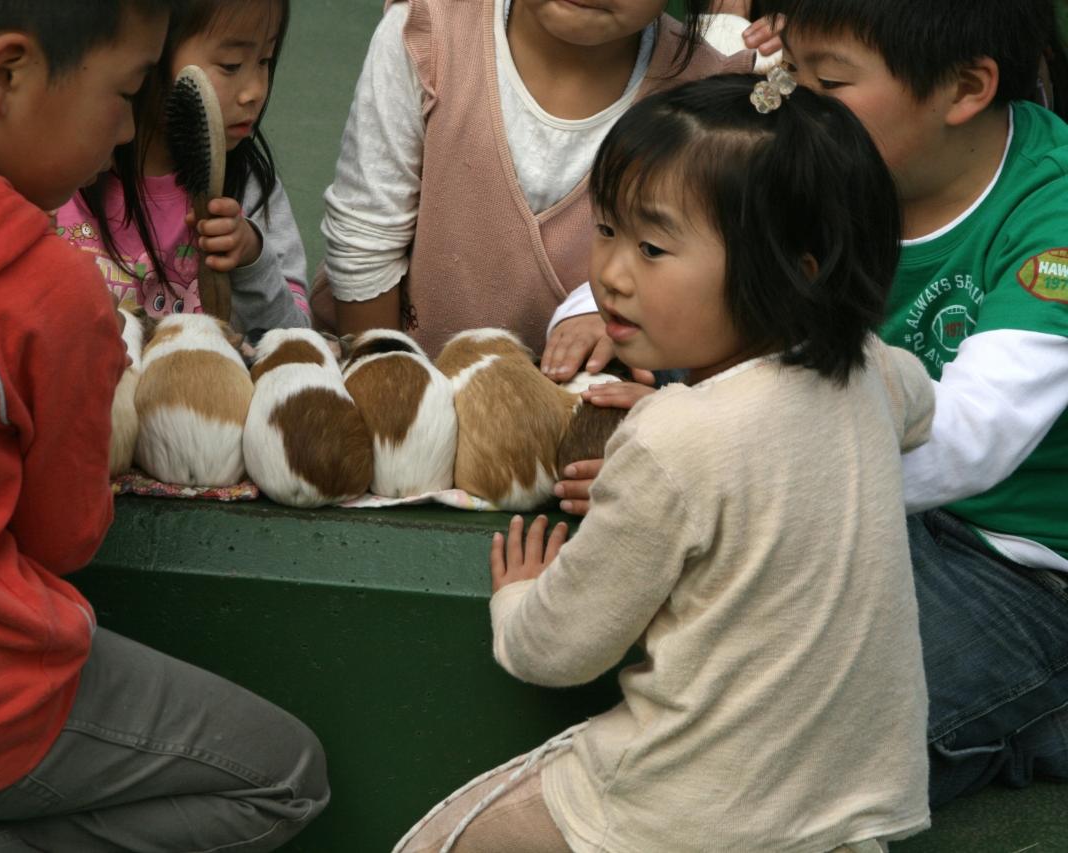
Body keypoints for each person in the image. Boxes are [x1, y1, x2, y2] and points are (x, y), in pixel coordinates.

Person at [0, 2, 327, 851]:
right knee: (288, 777)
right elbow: (64, 538)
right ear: (8, 76)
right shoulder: (46, 289)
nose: (128, 131)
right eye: (126, 92)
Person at [395, 73, 935, 853]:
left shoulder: (673, 440)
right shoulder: (870, 371)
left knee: (441, 842)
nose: (610, 273)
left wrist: (517, 600)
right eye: (606, 228)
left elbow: (560, 649)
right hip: (848, 808)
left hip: (683, 815)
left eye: (652, 247)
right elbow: (918, 406)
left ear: (796, 269)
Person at [556, 0, 1068, 810]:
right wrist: (595, 318)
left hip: (1008, 567)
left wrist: (711, 468)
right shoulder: (832, 150)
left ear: (966, 88)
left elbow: (969, 439)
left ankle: (1035, 707)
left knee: (811, 730)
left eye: (827, 80)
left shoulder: (1052, 213)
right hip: (828, 494)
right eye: (787, 67)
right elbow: (683, 232)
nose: (791, 98)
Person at [312, 0, 759, 357]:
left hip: (577, 413)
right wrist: (385, 384)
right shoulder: (429, 32)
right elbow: (364, 241)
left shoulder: (711, 96)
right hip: (403, 381)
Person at [57, 0, 310, 333]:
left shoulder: (249, 189)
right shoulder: (60, 181)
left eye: (265, 61)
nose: (255, 91)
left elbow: (296, 338)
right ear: (146, 55)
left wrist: (251, 262)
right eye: (231, 65)